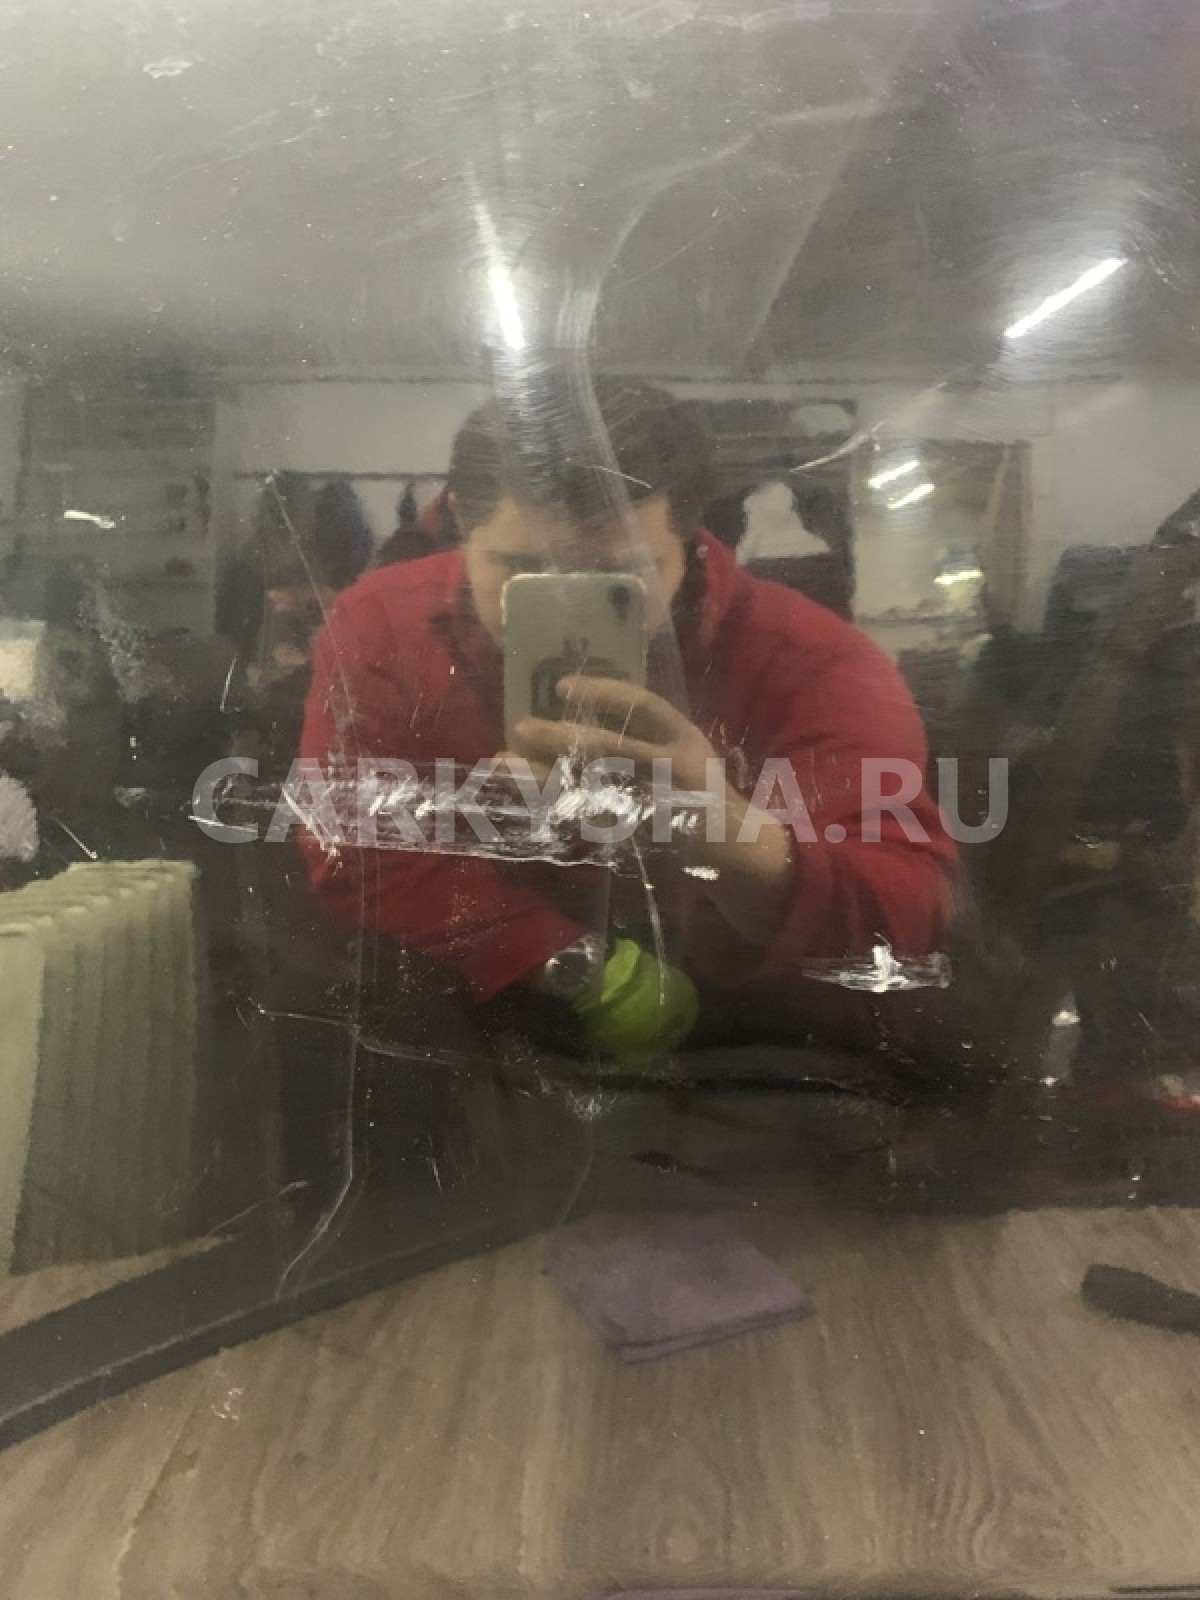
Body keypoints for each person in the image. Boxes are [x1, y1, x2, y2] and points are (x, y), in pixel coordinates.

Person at [298, 377, 954, 1063]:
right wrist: (560, 958)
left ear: (690, 536)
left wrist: (725, 832)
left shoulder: (814, 662)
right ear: (460, 519)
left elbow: (907, 920)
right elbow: (345, 843)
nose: (569, 605)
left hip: (738, 1024)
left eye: (618, 579)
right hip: (476, 1004)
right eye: (525, 569)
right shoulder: (383, 624)